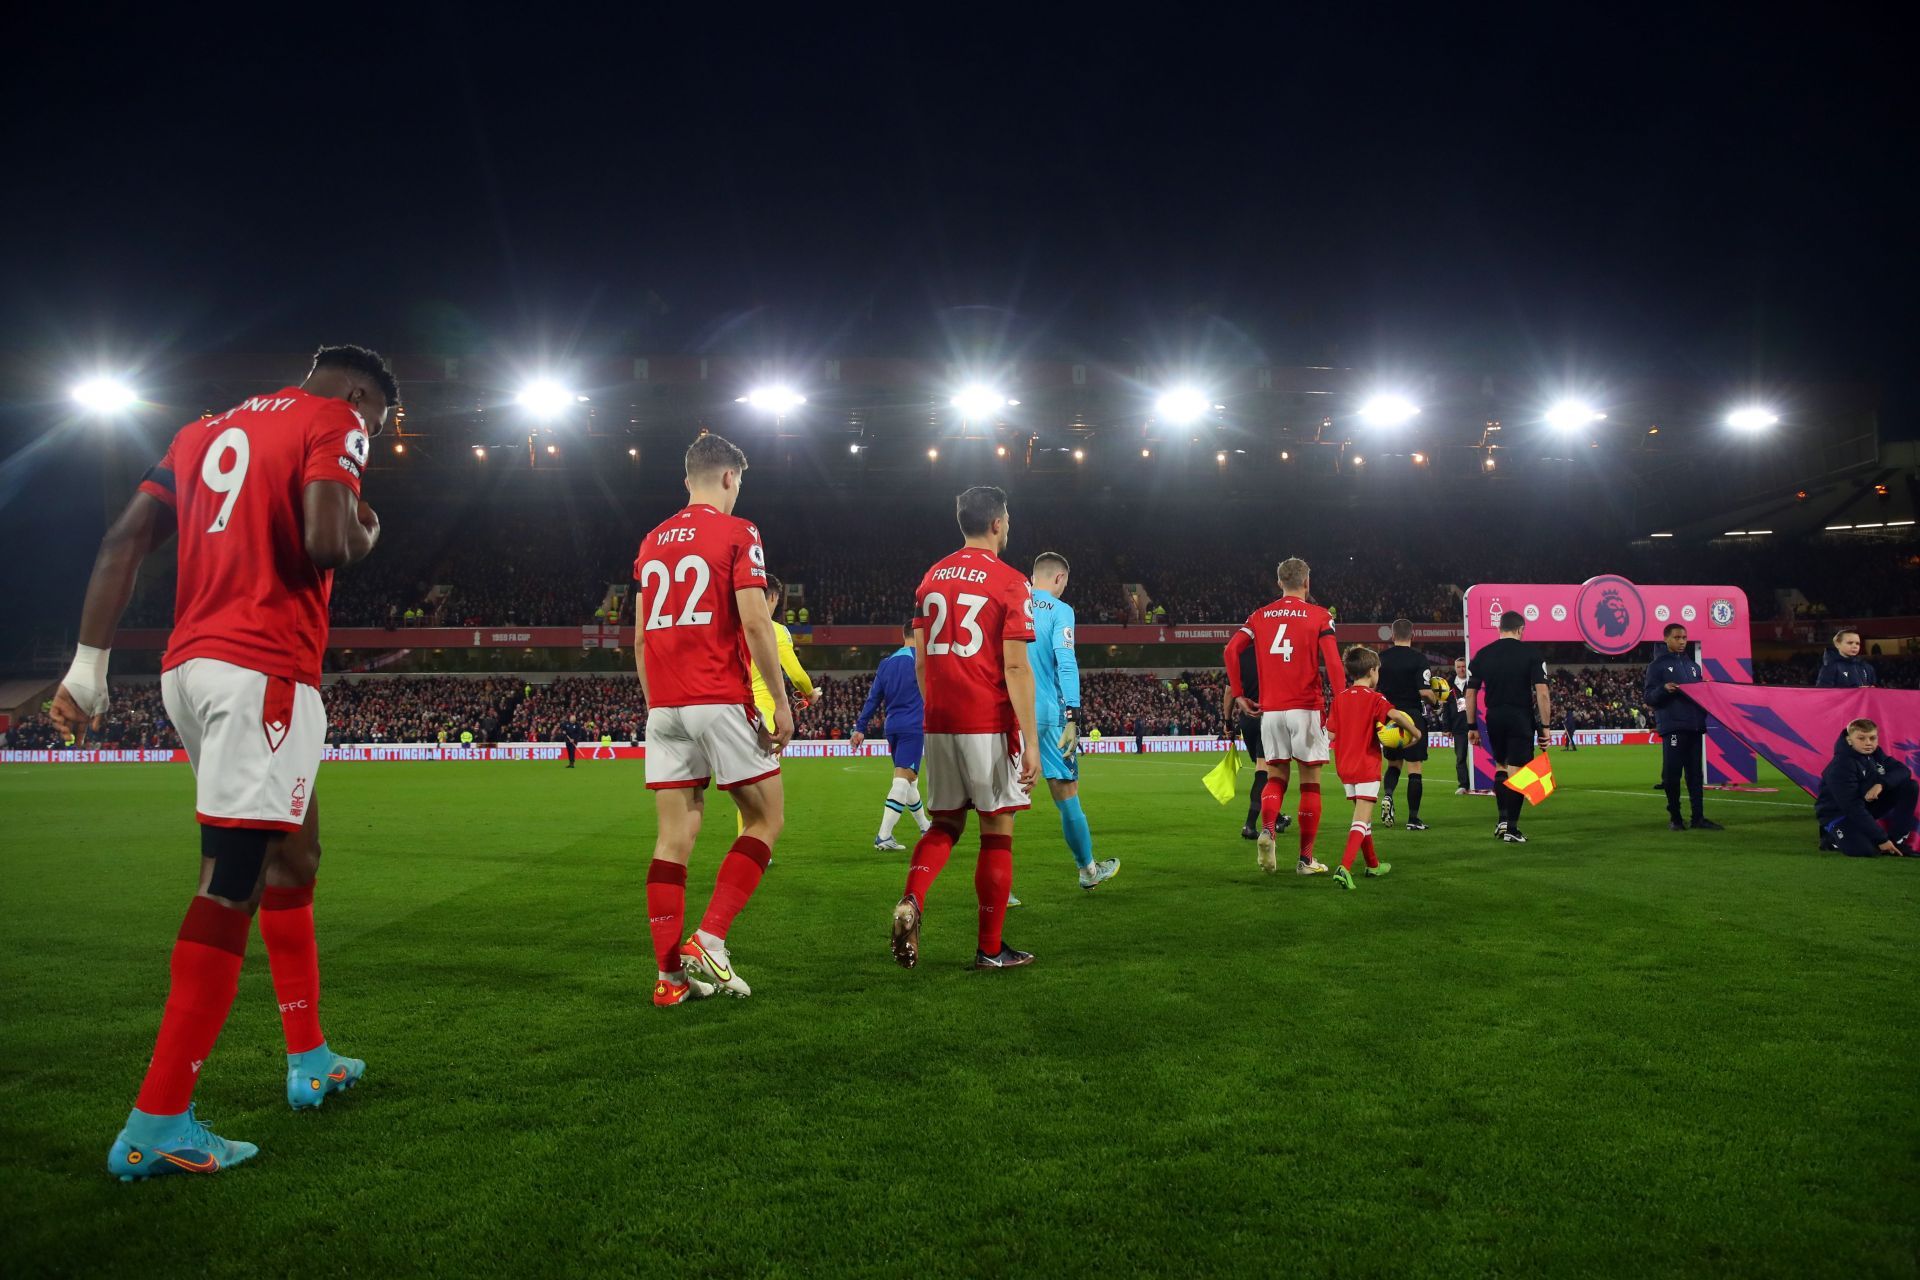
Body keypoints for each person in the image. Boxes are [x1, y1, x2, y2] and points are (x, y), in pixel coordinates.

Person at [50, 345, 396, 1179]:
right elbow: (327, 542)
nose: (371, 438)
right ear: (358, 395)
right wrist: (369, 530)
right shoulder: (335, 418)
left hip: (190, 668)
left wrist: (86, 671)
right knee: (230, 882)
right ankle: (159, 1121)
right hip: (263, 669)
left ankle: (311, 1059)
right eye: (377, 425)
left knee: (295, 850)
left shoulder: (201, 431)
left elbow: (123, 538)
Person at [634, 434, 793, 1008]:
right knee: (765, 818)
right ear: (730, 478)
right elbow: (755, 621)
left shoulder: (652, 541)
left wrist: (660, 705)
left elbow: (639, 635)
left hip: (665, 703)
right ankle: (711, 938)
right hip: (718, 695)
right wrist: (780, 700)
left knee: (673, 837)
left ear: (687, 481)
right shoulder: (738, 531)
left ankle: (669, 980)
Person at [889, 485, 1040, 971]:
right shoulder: (1012, 581)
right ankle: (990, 949)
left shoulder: (931, 578)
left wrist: (937, 713)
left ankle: (912, 899)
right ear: (997, 523)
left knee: (945, 823)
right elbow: (1015, 667)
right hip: (986, 719)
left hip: (940, 720)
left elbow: (918, 662)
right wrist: (1032, 741)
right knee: (997, 832)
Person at [1224, 557, 1345, 874]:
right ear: (1307, 582)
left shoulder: (1259, 616)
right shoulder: (1320, 616)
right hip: (1306, 708)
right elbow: (1332, 662)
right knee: (1310, 785)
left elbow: (1230, 650)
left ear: (1279, 583)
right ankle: (1305, 859)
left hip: (1271, 711)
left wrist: (1238, 694)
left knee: (1275, 778)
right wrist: (1342, 702)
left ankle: (1267, 830)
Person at [1027, 552, 1120, 890]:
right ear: (1059, 578)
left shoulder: (1009, 602)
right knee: (1067, 795)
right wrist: (1073, 716)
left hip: (1006, 716)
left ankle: (999, 889)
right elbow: (1065, 663)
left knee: (1000, 804)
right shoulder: (1060, 611)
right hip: (1047, 717)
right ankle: (1088, 870)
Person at [1325, 647, 1422, 890]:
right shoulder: (1375, 698)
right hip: (1366, 764)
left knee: (1363, 819)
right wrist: (1415, 733)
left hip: (1344, 766)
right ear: (1372, 671)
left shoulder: (1340, 699)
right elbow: (1396, 716)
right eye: (1378, 670)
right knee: (1360, 820)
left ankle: (1373, 864)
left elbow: (1331, 732)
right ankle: (1344, 868)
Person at [1465, 611, 1551, 844]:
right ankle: (1512, 829)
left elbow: (1470, 693)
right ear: (1521, 629)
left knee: (1500, 767)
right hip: (1519, 716)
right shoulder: (1532, 654)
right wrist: (1545, 726)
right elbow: (1542, 693)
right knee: (1519, 773)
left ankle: (1503, 820)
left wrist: (1472, 725)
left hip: (1494, 717)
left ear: (1499, 629)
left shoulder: (1483, 654)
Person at [740, 574, 815, 837]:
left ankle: (745, 837)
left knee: (744, 782)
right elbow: (796, 675)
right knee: (762, 786)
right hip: (766, 715)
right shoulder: (776, 630)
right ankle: (754, 843)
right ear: (772, 597)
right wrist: (810, 692)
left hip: (734, 709)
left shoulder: (733, 627)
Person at [850, 620, 932, 851]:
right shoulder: (922, 660)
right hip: (913, 726)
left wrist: (860, 727)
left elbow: (873, 698)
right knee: (901, 780)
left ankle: (925, 826)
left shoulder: (886, 663)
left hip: (893, 727)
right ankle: (884, 836)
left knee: (910, 780)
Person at [1644, 623, 1723, 832]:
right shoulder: (1657, 666)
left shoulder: (1693, 667)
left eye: (1684, 638)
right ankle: (1676, 818)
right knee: (1672, 775)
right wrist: (1664, 689)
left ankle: (1698, 817)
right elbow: (1649, 697)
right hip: (1673, 727)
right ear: (1666, 639)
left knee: (1695, 775)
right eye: (1677, 637)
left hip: (1694, 726)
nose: (1681, 642)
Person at [1816, 719, 1917, 857]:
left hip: (1864, 806)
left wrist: (1881, 784)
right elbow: (1851, 807)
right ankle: (1830, 838)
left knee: (1909, 786)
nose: (1868, 742)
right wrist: (1881, 839)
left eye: (1872, 738)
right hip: (1840, 815)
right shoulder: (1841, 765)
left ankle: (1897, 839)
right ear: (1849, 740)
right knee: (1867, 851)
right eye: (1861, 738)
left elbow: (1903, 771)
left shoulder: (1875, 753)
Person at [1376, 618, 1438, 831]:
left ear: (1392, 636)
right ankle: (1413, 818)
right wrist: (1436, 702)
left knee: (1393, 764)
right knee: (1415, 768)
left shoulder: (1381, 658)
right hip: (1412, 716)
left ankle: (1388, 795)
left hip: (1389, 716)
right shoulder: (1419, 659)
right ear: (1413, 635)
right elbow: (1424, 692)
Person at [1449, 656, 1472, 793]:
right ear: (1455, 668)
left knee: (1480, 755)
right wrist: (1446, 727)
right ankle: (1463, 785)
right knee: (1460, 757)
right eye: (1459, 667)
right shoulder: (1449, 684)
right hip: (1458, 727)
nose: (1461, 669)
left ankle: (1483, 782)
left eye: (1463, 666)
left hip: (1475, 725)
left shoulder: (1473, 682)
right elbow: (1446, 707)